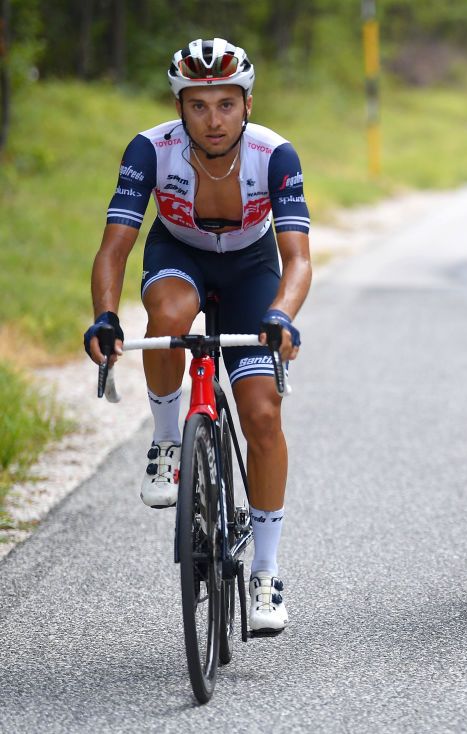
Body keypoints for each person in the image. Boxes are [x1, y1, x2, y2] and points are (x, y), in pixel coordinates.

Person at [84, 38, 312, 632]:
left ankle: (265, 572)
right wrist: (105, 316)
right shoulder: (151, 150)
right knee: (167, 317)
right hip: (178, 255)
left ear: (248, 104)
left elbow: (299, 259)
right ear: (180, 108)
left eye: (226, 105)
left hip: (250, 270)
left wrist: (282, 314)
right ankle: (166, 442)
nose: (213, 120)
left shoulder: (275, 155)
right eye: (198, 105)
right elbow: (115, 246)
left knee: (262, 415)